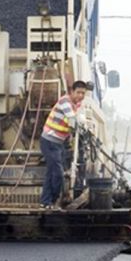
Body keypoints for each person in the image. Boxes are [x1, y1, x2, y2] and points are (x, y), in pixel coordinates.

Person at [40, 80, 87, 209]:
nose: (81, 96)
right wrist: (81, 123)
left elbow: (78, 119)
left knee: (51, 173)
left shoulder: (76, 105)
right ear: (72, 91)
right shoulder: (65, 101)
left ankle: (45, 202)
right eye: (78, 93)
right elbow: (72, 120)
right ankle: (53, 201)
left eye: (83, 93)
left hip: (59, 143)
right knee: (58, 174)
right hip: (49, 141)